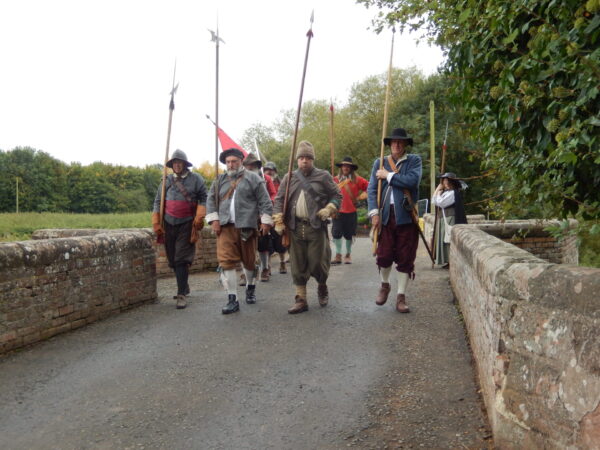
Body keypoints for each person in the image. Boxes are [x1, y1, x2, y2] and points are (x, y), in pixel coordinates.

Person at [272, 141, 342, 314]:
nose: (304, 161)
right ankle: (301, 299)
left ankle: (322, 285)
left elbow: (337, 195)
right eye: (301, 158)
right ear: (297, 160)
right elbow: (279, 199)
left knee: (318, 263)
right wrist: (278, 218)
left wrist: (329, 208)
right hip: (295, 227)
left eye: (308, 158)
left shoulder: (323, 176)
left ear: (312, 160)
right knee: (297, 263)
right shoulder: (289, 177)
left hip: (316, 226)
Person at [206, 148, 273, 314]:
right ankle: (232, 298)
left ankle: (250, 288)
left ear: (241, 161)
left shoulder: (253, 178)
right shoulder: (219, 179)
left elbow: (265, 201)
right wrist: (214, 219)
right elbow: (210, 200)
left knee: (249, 262)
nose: (231, 164)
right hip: (225, 227)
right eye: (228, 162)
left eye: (234, 161)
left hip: (247, 227)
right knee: (226, 262)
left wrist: (265, 221)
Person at [367, 128, 422, 313]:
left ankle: (401, 296)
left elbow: (411, 181)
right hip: (385, 217)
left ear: (405, 144)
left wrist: (388, 175)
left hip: (406, 216)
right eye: (394, 142)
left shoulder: (414, 161)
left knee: (405, 258)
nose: (397, 145)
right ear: (390, 144)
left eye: (400, 142)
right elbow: (372, 189)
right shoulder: (379, 162)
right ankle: (384, 285)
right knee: (383, 256)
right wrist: (374, 212)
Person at [152, 149, 208, 310]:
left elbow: (204, 197)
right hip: (168, 223)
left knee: (181, 258)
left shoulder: (196, 179)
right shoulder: (166, 180)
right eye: (174, 163)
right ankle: (184, 286)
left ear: (184, 164)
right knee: (172, 258)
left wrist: (200, 216)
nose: (177, 165)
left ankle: (181, 294)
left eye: (179, 162)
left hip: (187, 223)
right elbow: (157, 201)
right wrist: (156, 221)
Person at [242, 153, 276, 282]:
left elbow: (273, 195)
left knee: (263, 244)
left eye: (252, 166)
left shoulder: (266, 178)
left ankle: (265, 268)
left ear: (257, 166)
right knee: (244, 244)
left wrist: (267, 203)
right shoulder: (240, 179)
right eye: (247, 166)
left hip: (262, 215)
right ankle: (245, 272)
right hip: (246, 216)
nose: (250, 168)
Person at [331, 156, 369, 265]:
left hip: (351, 211)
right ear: (341, 167)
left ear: (351, 168)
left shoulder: (358, 180)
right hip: (337, 211)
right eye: (344, 165)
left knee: (349, 234)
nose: (345, 167)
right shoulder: (335, 180)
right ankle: (338, 255)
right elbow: (328, 192)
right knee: (336, 233)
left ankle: (347, 255)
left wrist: (362, 196)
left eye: (348, 166)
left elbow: (370, 187)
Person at [432, 172, 468, 268]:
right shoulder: (445, 192)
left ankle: (450, 262)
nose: (445, 183)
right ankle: (447, 261)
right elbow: (434, 201)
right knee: (444, 240)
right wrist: (438, 192)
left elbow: (440, 203)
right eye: (444, 181)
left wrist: (437, 191)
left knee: (448, 240)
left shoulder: (452, 193)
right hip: (444, 218)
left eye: (447, 181)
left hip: (449, 218)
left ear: (452, 183)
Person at [263, 161, 288, 274]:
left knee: (279, 241)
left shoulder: (282, 184)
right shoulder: (262, 183)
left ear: (275, 172)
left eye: (271, 170)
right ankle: (266, 267)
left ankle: (282, 263)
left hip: (278, 215)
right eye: (266, 170)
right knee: (266, 242)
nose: (269, 172)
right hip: (265, 215)